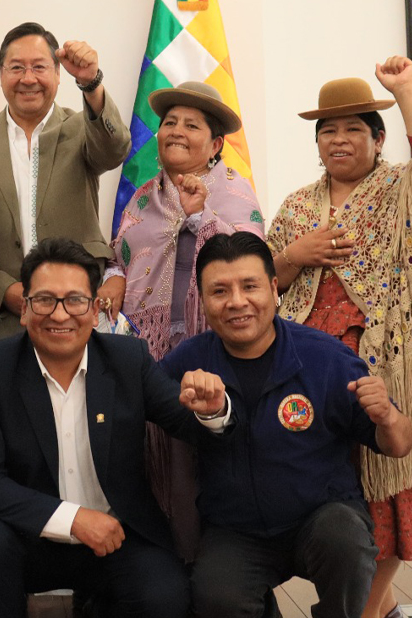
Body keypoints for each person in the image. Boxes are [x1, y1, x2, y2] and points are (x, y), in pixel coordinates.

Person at [0, 237, 232, 618]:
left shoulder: (128, 358)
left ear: (95, 306)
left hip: (113, 535)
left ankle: (98, 613)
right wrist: (74, 519)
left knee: (164, 601)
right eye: (45, 300)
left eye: (75, 300)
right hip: (28, 535)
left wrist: (210, 410)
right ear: (25, 309)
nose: (60, 314)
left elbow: (184, 422)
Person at [268, 57, 412, 618]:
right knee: (336, 499)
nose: (339, 140)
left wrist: (403, 90)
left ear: (378, 139)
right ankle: (379, 610)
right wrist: (293, 256)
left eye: (354, 128)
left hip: (390, 366)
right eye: (328, 130)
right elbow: (258, 284)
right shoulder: (298, 206)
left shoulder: (402, 187)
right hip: (306, 372)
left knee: (388, 493)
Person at [161, 232, 412, 618]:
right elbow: (141, 403)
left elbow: (401, 445)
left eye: (250, 286)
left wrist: (387, 416)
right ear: (203, 299)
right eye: (220, 291)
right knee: (216, 598)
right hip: (235, 530)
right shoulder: (187, 362)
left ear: (273, 288)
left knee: (346, 541)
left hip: (321, 521)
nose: (237, 302)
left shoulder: (325, 357)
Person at [104, 80, 265, 561]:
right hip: (147, 351)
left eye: (191, 125)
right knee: (151, 459)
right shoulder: (143, 197)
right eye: (169, 123)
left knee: (204, 460)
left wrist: (198, 218)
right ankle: (159, 568)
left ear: (215, 144)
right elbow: (121, 254)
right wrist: (112, 276)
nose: (175, 131)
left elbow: (245, 259)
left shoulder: (234, 192)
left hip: (211, 347)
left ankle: (213, 573)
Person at [0, 22, 131, 342]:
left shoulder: (82, 127)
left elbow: (115, 150)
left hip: (76, 313)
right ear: (0, 74)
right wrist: (4, 291)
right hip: (2, 321)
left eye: (39, 67)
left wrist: (91, 83)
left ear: (58, 74)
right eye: (16, 67)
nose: (28, 78)